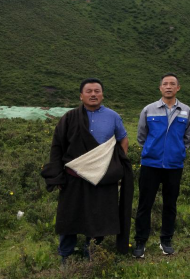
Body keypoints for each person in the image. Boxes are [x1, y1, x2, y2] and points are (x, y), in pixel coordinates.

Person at [41, 78, 134, 264]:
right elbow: (58, 146)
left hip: (102, 177)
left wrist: (116, 165)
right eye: (89, 91)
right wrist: (57, 176)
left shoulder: (113, 116)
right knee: (70, 215)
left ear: (102, 95)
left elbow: (123, 139)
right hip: (74, 176)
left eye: (97, 91)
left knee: (98, 215)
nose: (93, 94)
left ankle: (91, 251)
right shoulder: (69, 117)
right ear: (81, 96)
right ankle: (65, 254)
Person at [132, 73, 190, 258]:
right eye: (165, 84)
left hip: (174, 165)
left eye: (172, 84)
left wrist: (177, 151)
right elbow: (141, 136)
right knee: (145, 204)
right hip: (150, 164)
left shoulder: (186, 111)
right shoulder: (149, 110)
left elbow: (187, 137)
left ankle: (166, 240)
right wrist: (153, 149)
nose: (168, 86)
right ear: (160, 88)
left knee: (170, 204)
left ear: (178, 88)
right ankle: (140, 241)